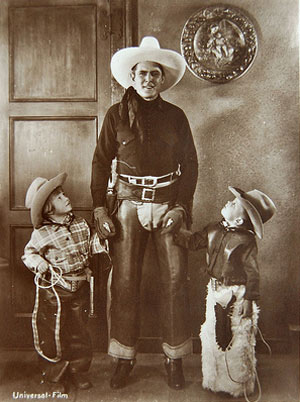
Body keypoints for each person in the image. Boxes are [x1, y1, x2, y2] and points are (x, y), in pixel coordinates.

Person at [91, 36, 198, 390]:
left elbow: (191, 165)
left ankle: (174, 359)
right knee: (124, 283)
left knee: (174, 280)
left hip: (168, 205)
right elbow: (100, 161)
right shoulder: (115, 115)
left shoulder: (176, 117)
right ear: (132, 77)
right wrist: (97, 209)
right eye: (142, 73)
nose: (148, 79)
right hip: (127, 205)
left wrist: (182, 207)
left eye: (155, 74)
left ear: (162, 79)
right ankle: (123, 358)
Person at [174, 186, 276, 397]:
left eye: (234, 204)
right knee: (213, 333)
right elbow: (194, 242)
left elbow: (253, 273)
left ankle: (237, 384)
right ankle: (215, 380)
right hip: (214, 291)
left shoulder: (246, 242)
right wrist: (174, 232)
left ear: (239, 221)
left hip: (236, 293)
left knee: (236, 335)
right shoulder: (213, 229)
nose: (229, 202)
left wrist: (249, 299)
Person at [22, 173, 108, 393]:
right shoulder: (42, 234)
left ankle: (78, 371)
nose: (66, 197)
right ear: (49, 209)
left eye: (63, 193)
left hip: (79, 287)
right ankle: (54, 375)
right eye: (59, 197)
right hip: (55, 291)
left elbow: (91, 247)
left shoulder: (80, 224)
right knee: (54, 332)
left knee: (79, 330)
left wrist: (102, 239)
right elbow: (28, 254)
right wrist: (39, 262)